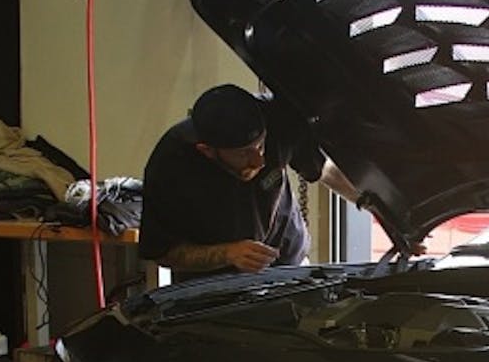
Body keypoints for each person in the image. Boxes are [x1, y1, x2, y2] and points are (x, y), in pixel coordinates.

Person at [139, 84, 364, 279]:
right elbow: (162, 252)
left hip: (287, 261)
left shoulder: (278, 120)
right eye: (243, 153)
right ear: (207, 151)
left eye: (261, 145)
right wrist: (229, 253)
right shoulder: (170, 165)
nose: (259, 161)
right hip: (212, 287)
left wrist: (370, 200)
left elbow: (323, 169)